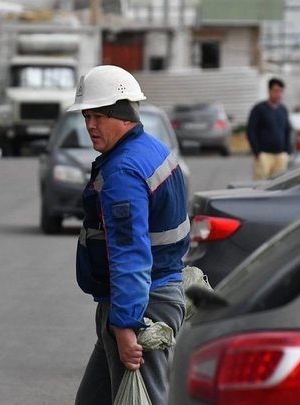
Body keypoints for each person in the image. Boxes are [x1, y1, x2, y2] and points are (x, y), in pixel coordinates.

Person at [70, 65, 189, 405]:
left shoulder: (122, 170)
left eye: (99, 116)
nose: (90, 125)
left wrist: (126, 325)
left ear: (123, 115)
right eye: (86, 116)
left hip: (141, 305)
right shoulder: (152, 150)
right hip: (146, 296)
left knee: (143, 399)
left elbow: (129, 252)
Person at [246, 78, 292, 180]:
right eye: (275, 91)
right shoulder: (259, 109)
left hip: (280, 154)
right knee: (261, 183)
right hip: (264, 155)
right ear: (269, 91)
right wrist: (257, 152)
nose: (278, 94)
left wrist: (287, 150)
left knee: (279, 183)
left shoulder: (283, 109)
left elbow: (287, 129)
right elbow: (251, 130)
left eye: (280, 91)